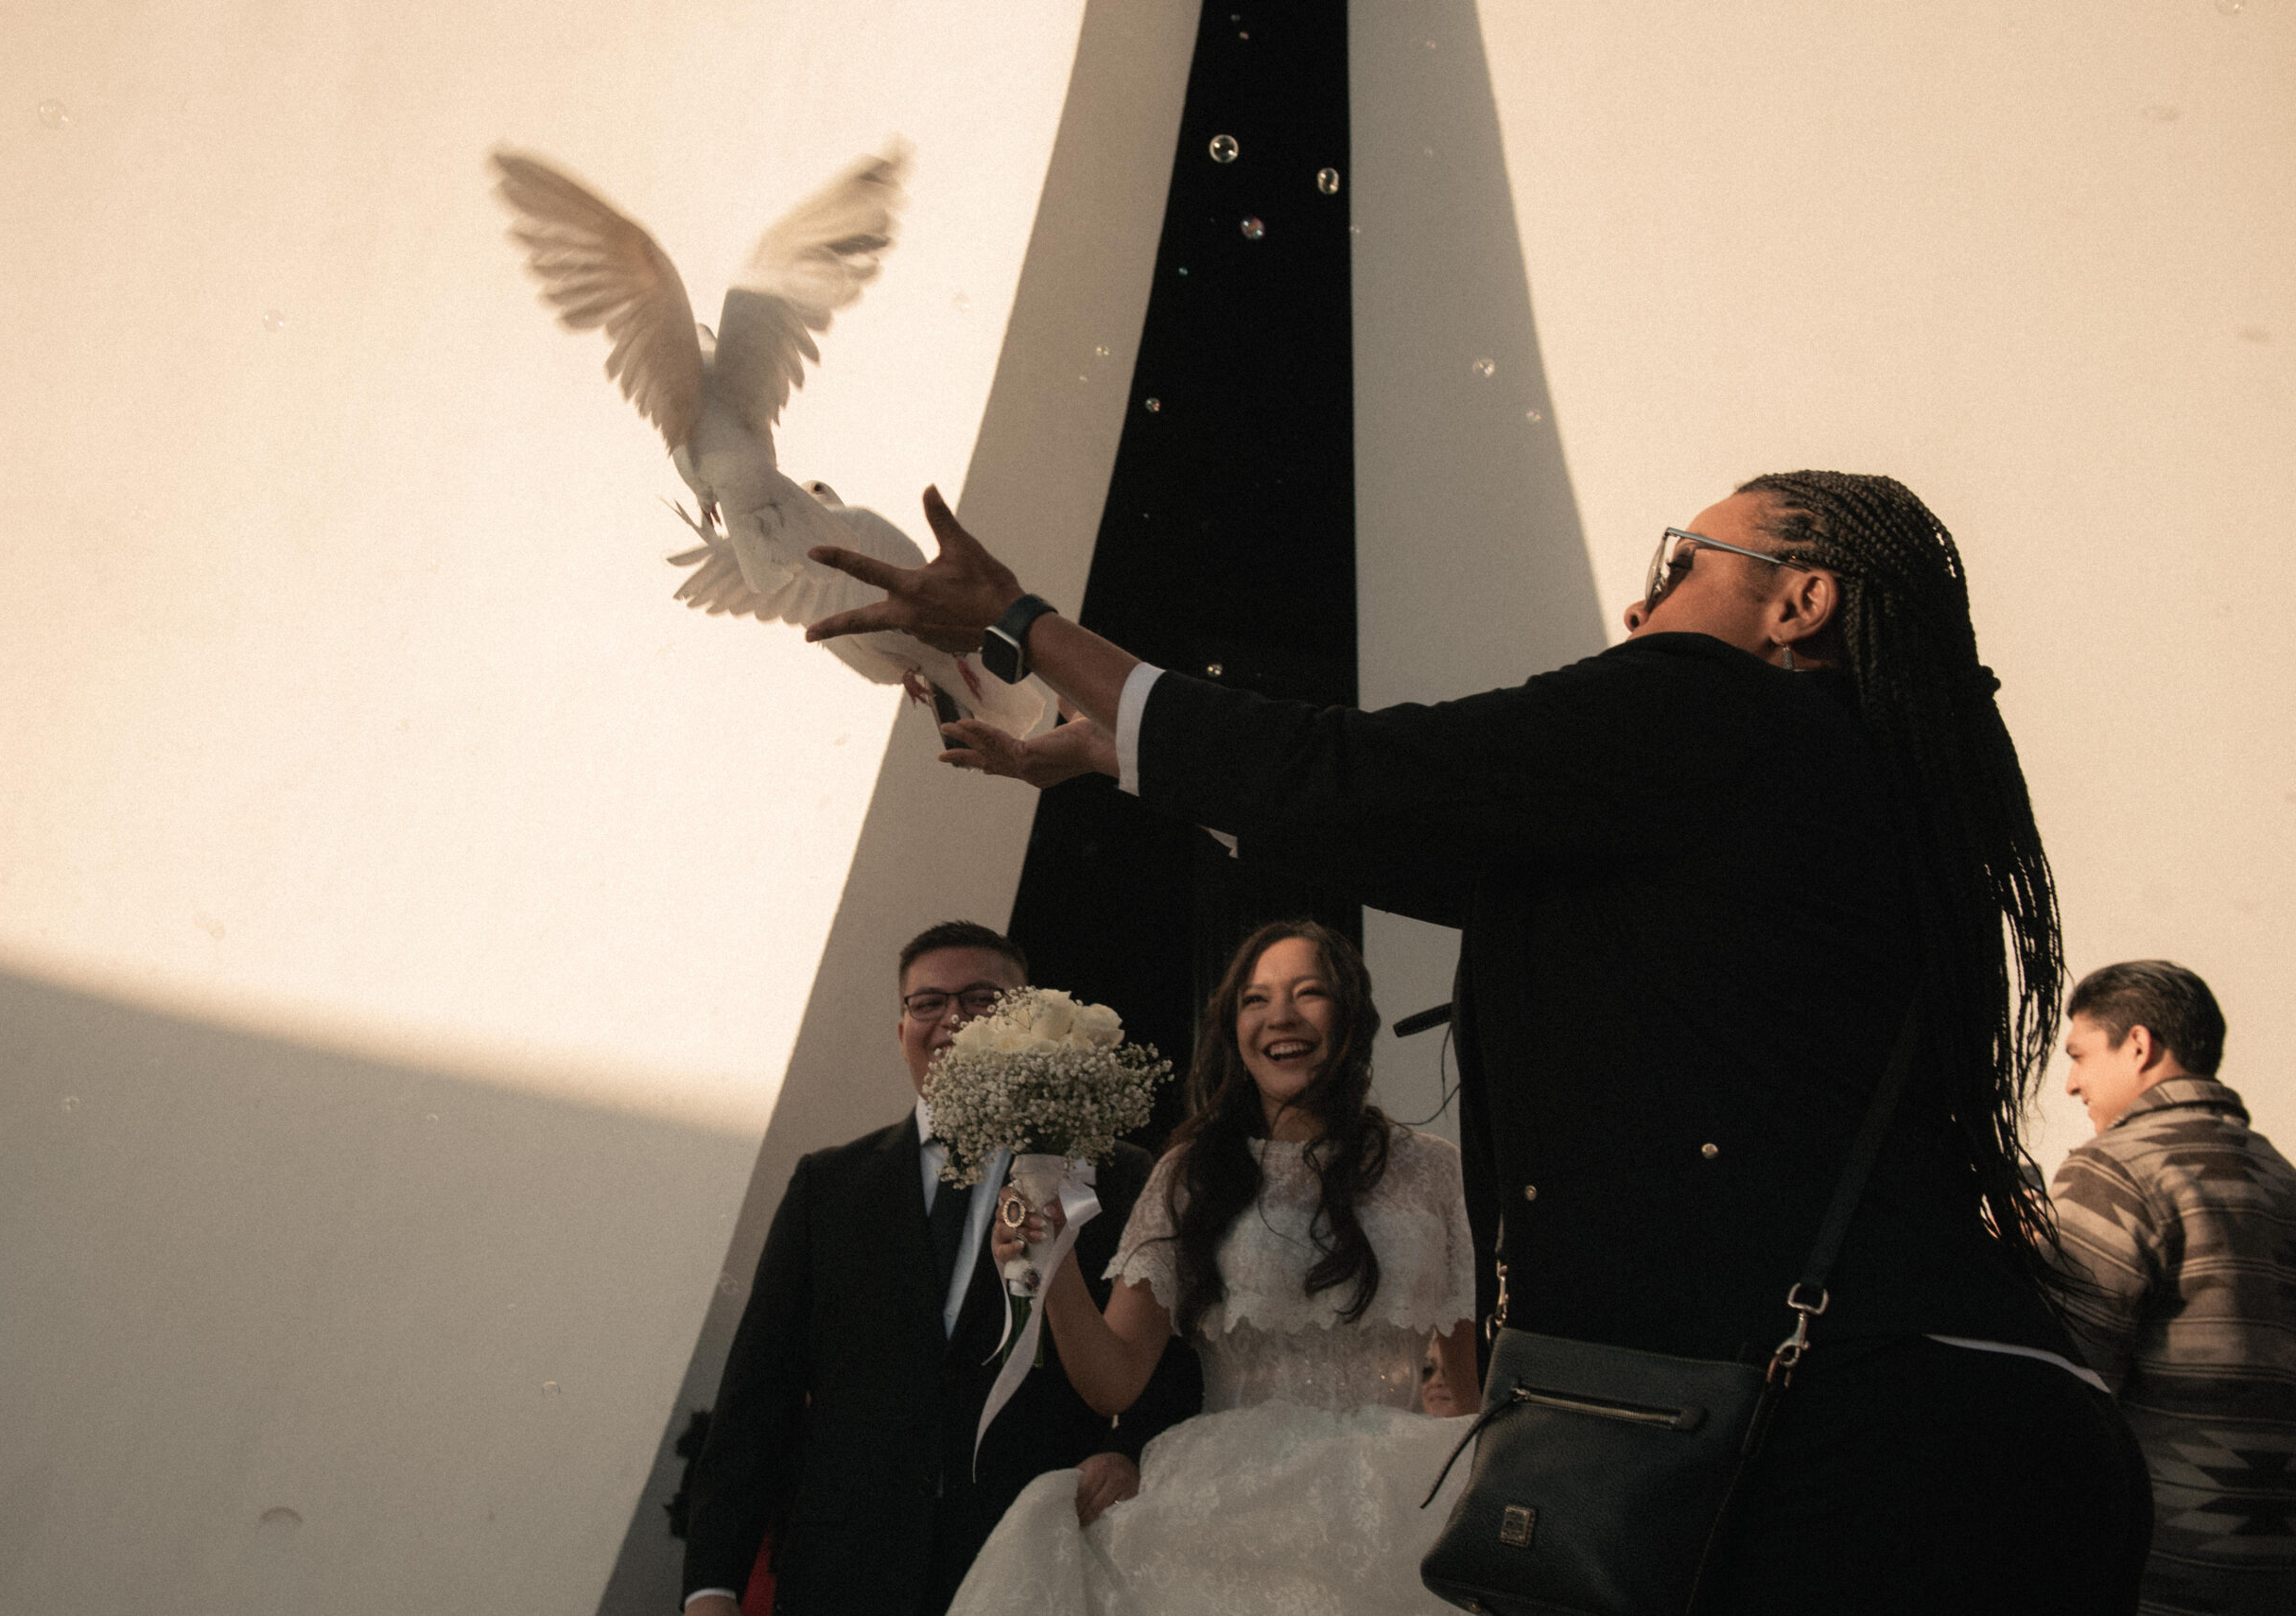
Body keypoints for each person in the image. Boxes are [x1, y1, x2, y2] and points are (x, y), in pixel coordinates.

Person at [805, 474, 2153, 1611]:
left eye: (1683, 565)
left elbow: (1369, 774)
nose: (1642, 606)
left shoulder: (1713, 704)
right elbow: (1427, 840)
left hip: (1825, 1460)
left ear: (1800, 603)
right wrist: (1131, 755)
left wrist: (1021, 622)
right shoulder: (1863, 805)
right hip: (1989, 1428)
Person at [947, 920, 1477, 1615]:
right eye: (1255, 1000)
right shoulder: (1189, 1174)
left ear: (1351, 1015)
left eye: (1308, 992)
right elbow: (1113, 1380)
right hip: (1232, 1506)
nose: (1280, 1016)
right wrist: (1055, 1266)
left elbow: (1466, 1386)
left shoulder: (1434, 1169)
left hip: (1403, 1502)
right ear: (1234, 1028)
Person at [680, 921, 1200, 1616]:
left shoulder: (1116, 1177)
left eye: (983, 997)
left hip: (1028, 1566)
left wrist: (1129, 1451)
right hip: (843, 1574)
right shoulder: (829, 1186)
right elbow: (758, 1394)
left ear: (1033, 1022)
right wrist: (711, 1585)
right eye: (927, 1002)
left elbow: (1172, 1367)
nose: (952, 1016)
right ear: (902, 1028)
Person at [2049, 961, 2296, 1615]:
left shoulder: (2114, 1174)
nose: (2071, 1083)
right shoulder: (2283, 1179)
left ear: (2138, 1044)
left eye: (2078, 1055)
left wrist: (2018, 1261)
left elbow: (2064, 1398)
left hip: (2160, 1575)